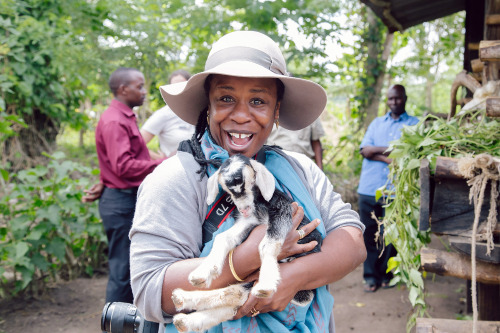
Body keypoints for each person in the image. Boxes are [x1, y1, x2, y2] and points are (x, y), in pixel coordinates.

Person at [129, 31, 366, 333]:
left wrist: (293, 278)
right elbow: (151, 291)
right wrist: (248, 257)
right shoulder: (177, 179)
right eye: (226, 98)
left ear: (276, 111)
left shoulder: (300, 169)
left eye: (258, 101)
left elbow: (353, 242)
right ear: (209, 105)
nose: (241, 115)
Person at [86, 67, 167, 304]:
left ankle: (131, 321)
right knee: (122, 270)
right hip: (120, 201)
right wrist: (165, 162)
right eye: (139, 87)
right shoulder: (114, 121)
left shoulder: (124, 117)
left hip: (125, 197)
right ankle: (114, 323)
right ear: (123, 89)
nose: (144, 92)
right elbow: (123, 166)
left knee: (133, 266)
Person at [357, 84, 419, 292]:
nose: (394, 102)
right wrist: (389, 157)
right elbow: (365, 151)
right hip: (369, 187)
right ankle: (370, 277)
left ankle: (386, 275)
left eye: (398, 99)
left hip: (396, 189)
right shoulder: (376, 123)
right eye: (390, 99)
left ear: (405, 98)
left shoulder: (414, 124)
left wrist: (377, 151)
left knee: (390, 235)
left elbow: (409, 152)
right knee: (369, 234)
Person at [140, 69, 195, 159]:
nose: (177, 89)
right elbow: (137, 143)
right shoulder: (164, 114)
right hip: (175, 170)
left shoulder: (199, 111)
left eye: (182, 85)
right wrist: (159, 159)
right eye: (174, 86)